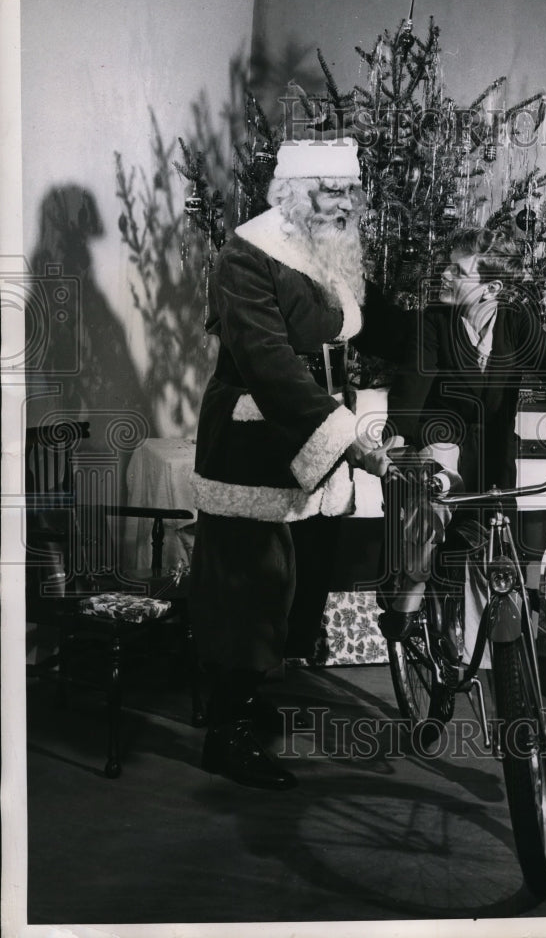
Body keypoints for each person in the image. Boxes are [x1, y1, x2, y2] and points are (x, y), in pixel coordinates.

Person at [189, 137, 401, 790]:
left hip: (315, 440)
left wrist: (470, 338)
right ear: (288, 192)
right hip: (255, 438)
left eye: (346, 193)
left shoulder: (335, 252)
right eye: (325, 192)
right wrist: (353, 442)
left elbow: (384, 325)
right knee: (252, 593)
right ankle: (225, 736)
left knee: (294, 594)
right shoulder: (246, 254)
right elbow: (271, 366)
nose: (339, 205)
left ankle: (251, 698)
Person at [376, 225, 546, 642]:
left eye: (458, 272)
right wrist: (396, 442)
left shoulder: (516, 324)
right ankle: (411, 591)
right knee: (432, 499)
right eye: (447, 267)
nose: (444, 275)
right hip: (439, 445)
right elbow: (408, 393)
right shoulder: (432, 325)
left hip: (493, 458)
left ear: (492, 288)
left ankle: (499, 657)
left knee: (502, 559)